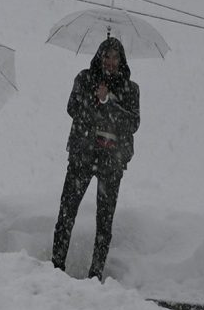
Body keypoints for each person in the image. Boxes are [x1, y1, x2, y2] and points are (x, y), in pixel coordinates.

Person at [51, 37, 140, 281]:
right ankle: (56, 267)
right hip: (83, 155)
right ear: (99, 57)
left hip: (112, 160)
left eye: (115, 57)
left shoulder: (130, 89)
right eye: (106, 56)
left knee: (105, 220)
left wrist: (108, 101)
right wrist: (94, 99)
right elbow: (72, 108)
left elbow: (132, 123)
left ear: (122, 61)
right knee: (67, 212)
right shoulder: (84, 78)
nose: (110, 62)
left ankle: (95, 274)